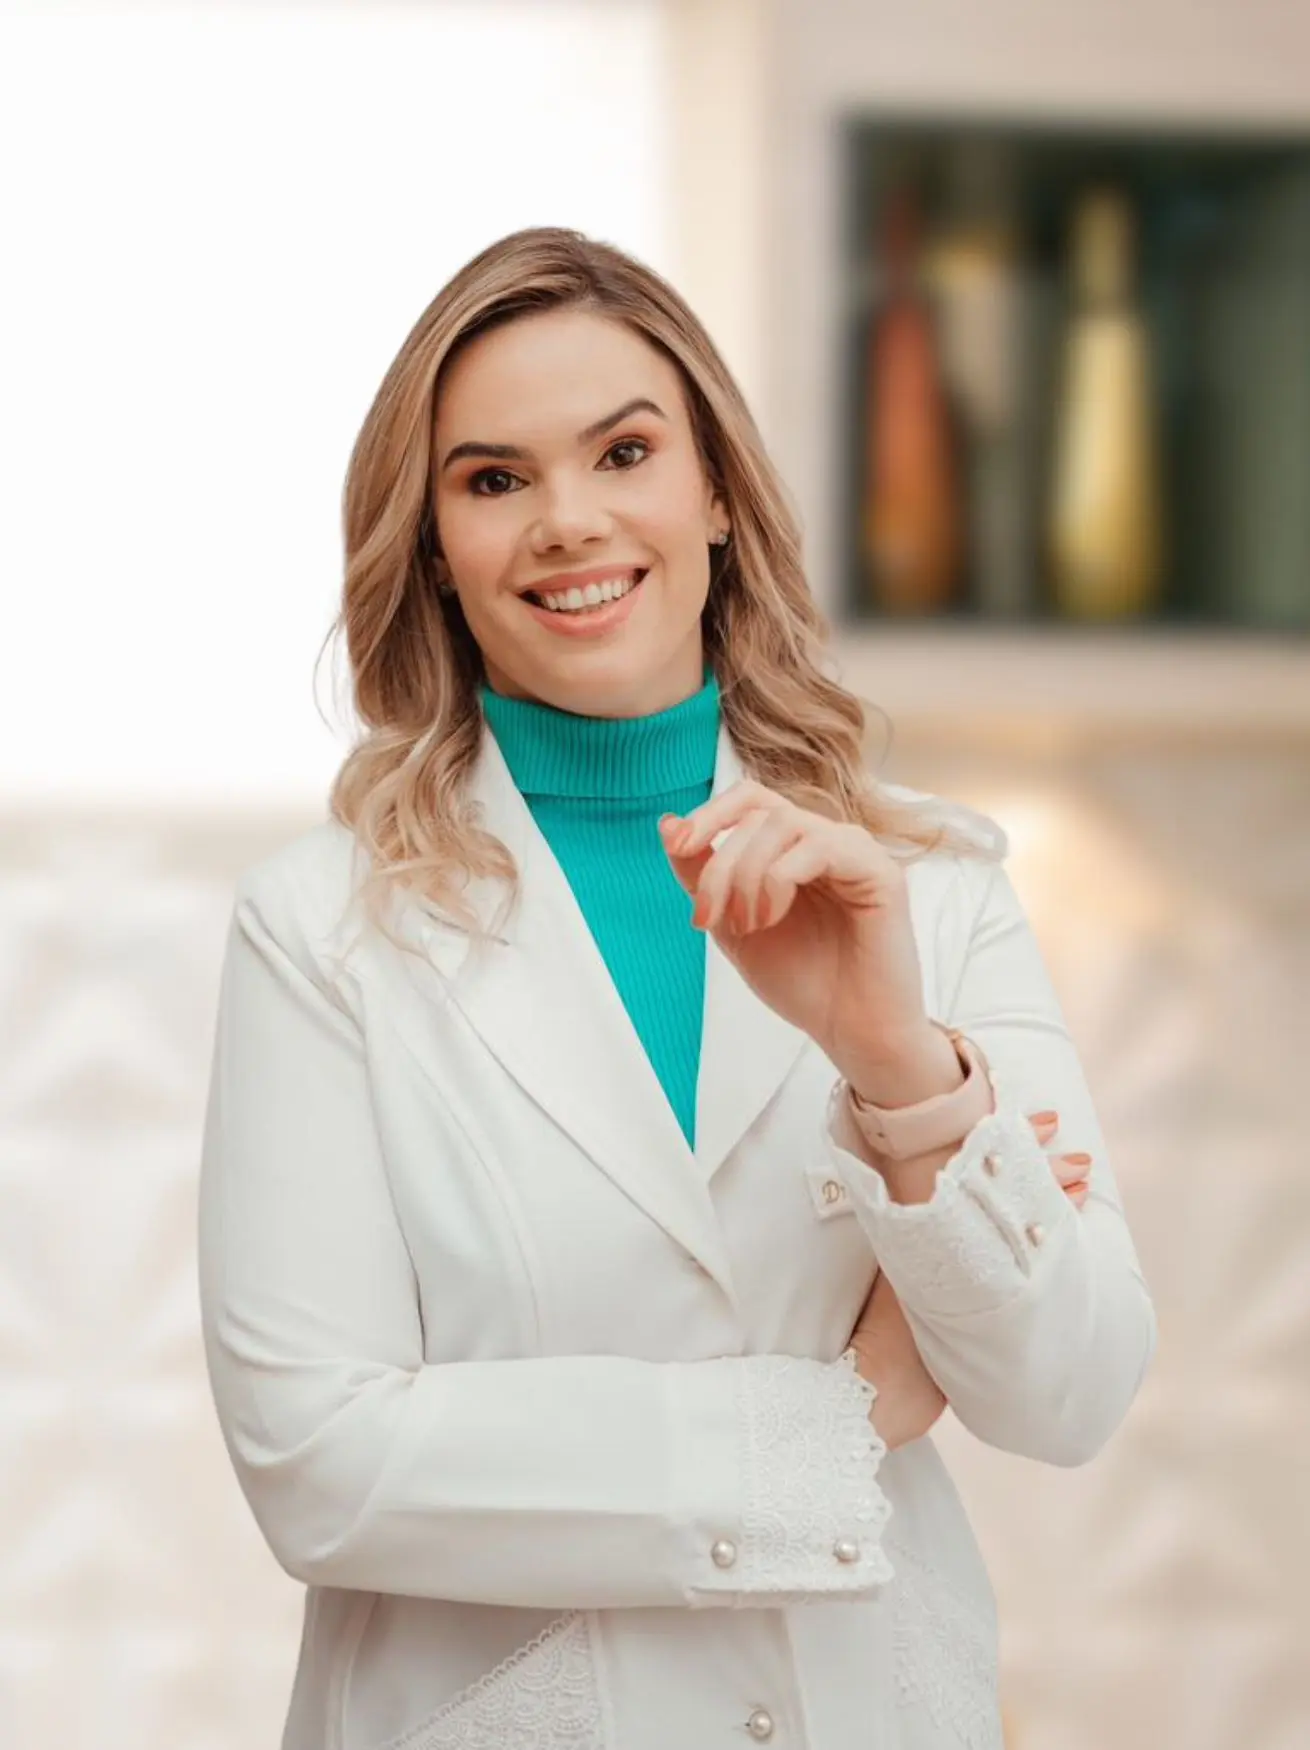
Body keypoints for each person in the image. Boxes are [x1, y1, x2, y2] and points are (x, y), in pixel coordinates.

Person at [197, 227, 1156, 1750]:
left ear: (716, 492)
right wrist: (835, 1421)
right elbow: (320, 1463)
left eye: (624, 453)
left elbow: (1072, 1386)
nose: (568, 521)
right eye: (493, 479)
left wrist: (900, 1071)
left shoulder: (933, 883)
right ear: (433, 546)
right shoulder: (321, 931)